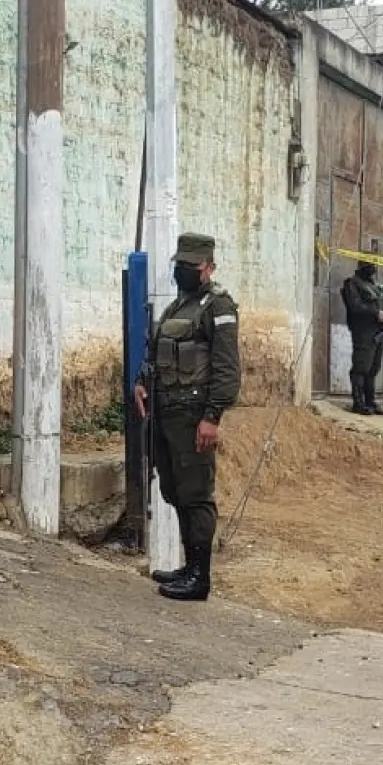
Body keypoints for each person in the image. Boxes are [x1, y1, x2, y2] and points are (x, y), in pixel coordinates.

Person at [134, 233, 241, 602]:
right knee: (176, 491)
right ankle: (188, 566)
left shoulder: (218, 306)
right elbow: (156, 351)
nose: (182, 272)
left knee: (196, 495)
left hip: (194, 416)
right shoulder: (177, 307)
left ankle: (200, 577)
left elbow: (228, 370)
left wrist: (212, 417)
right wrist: (141, 382)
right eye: (178, 266)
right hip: (167, 414)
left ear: (208, 267)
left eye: (189, 267)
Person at [340, 261, 383, 415]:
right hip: (363, 331)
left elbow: (382, 306)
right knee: (361, 367)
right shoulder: (352, 284)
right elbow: (355, 306)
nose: (373, 269)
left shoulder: (374, 286)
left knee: (373, 369)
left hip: (378, 333)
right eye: (370, 265)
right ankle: (358, 403)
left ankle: (370, 402)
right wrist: (375, 313)